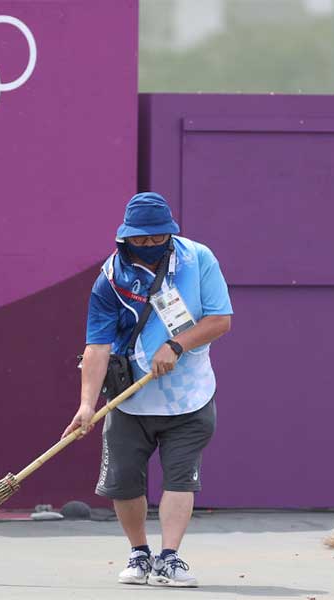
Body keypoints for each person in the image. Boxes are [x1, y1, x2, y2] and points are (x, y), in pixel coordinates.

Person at [63, 192, 232, 586]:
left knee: (179, 480)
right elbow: (97, 347)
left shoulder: (197, 259)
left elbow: (220, 319)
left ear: (170, 234)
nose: (150, 246)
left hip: (190, 396)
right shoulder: (110, 279)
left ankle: (170, 557)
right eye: (141, 240)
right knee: (124, 481)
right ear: (125, 238)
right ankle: (139, 554)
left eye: (158, 238)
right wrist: (87, 404)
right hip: (130, 399)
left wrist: (176, 345)